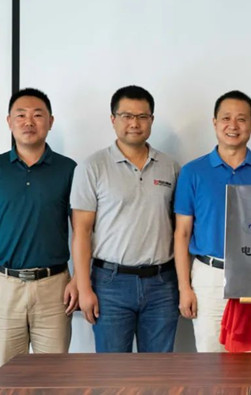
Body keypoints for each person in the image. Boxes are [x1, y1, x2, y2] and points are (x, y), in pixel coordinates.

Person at [0, 88, 78, 368]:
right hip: (4, 285)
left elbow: (82, 229)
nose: (29, 122)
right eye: (21, 115)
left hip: (54, 286)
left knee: (54, 377)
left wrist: (78, 277)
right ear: (9, 121)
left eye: (37, 115)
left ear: (50, 121)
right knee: (6, 377)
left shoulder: (68, 169)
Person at [71, 85, 181, 353]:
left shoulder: (171, 167)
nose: (135, 123)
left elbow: (181, 229)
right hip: (110, 284)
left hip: (162, 284)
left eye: (142, 116)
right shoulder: (92, 167)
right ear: (113, 119)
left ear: (151, 120)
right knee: (112, 371)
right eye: (127, 116)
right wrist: (84, 288)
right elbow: (81, 232)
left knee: (158, 371)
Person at [174, 90, 251, 352]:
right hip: (209, 275)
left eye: (241, 119)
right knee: (210, 361)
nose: (233, 125)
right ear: (214, 123)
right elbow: (182, 233)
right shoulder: (193, 172)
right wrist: (184, 287)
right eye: (226, 118)